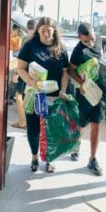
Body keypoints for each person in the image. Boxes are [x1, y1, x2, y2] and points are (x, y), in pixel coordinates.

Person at [15, 16, 70, 173]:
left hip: (53, 95)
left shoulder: (61, 48)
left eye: (49, 30)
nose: (46, 34)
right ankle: (34, 156)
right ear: (38, 30)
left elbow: (65, 73)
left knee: (51, 128)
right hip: (34, 93)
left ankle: (50, 159)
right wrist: (31, 82)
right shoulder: (30, 46)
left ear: (54, 31)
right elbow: (21, 68)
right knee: (33, 127)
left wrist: (63, 91)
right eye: (43, 30)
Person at [67, 22, 103, 176]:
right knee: (81, 124)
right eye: (87, 41)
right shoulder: (77, 51)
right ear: (79, 37)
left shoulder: (99, 40)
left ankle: (93, 159)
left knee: (96, 124)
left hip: (98, 91)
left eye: (92, 39)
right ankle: (76, 144)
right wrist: (82, 84)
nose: (91, 43)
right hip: (83, 92)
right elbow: (70, 70)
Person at [11, 19, 35, 129]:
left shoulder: (27, 39)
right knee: (31, 96)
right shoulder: (40, 39)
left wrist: (16, 72)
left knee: (19, 95)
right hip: (35, 73)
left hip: (25, 71)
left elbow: (22, 59)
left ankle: (22, 122)